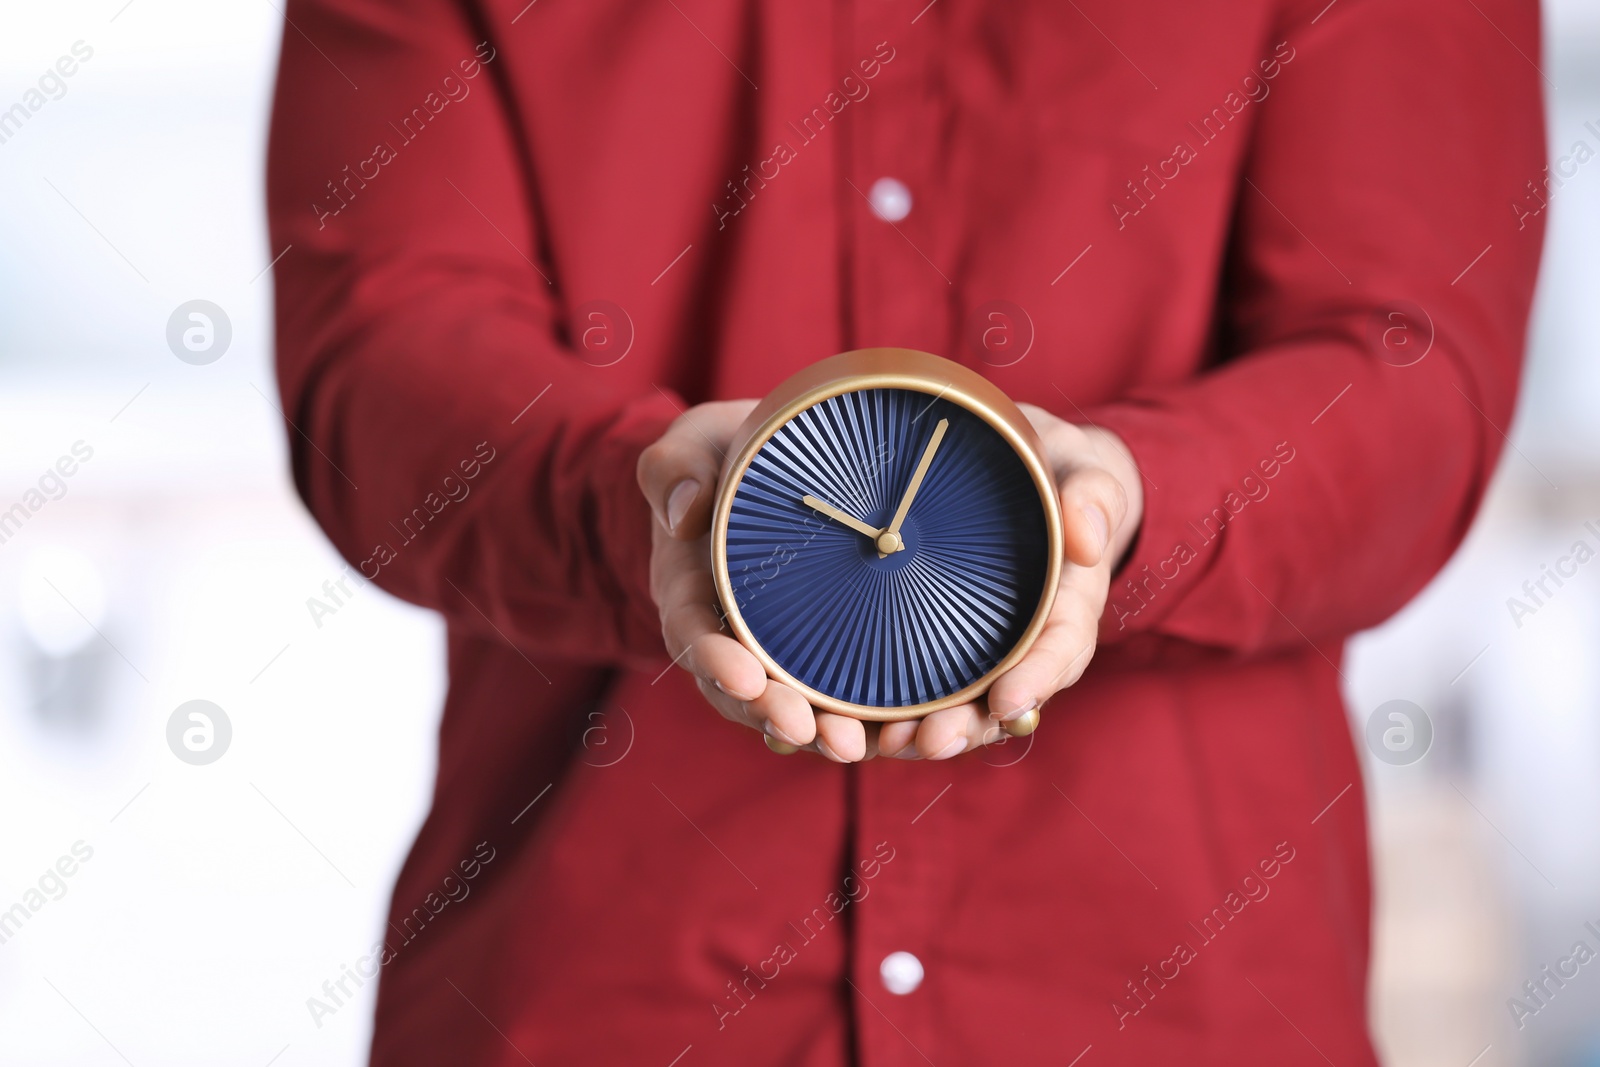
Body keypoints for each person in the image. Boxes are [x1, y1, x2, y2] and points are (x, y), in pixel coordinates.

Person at [266, 0, 1545, 1062]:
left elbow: (1410, 376)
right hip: (590, 1000)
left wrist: (1127, 505)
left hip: (1175, 1003)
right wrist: (645, 500)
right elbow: (377, 360)